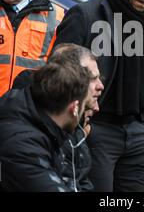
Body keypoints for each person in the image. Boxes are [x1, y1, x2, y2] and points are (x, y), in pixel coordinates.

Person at [54, 0, 144, 191]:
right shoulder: (85, 15)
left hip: (137, 133)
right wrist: (78, 123)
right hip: (96, 130)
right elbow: (57, 73)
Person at [0, 51, 92, 191]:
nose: (95, 107)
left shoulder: (40, 129)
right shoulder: (22, 143)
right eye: (86, 104)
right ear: (74, 107)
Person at [11, 43, 104, 192]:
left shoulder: (72, 131)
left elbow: (81, 183)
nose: (101, 86)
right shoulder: (23, 138)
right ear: (70, 77)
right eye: (92, 79)